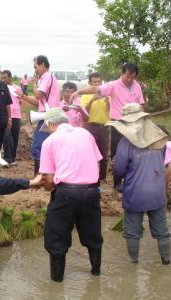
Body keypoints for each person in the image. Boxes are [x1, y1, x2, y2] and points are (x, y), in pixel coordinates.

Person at [39, 108, 103, 282]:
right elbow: (97, 164)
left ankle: (57, 282)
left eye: (48, 127)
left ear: (52, 124)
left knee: (56, 237)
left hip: (66, 192)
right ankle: (96, 273)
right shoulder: (86, 134)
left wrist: (45, 185)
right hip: (91, 191)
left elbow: (50, 180)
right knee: (93, 234)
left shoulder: (50, 141)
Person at [110, 103, 170, 265]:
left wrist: (118, 180)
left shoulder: (125, 142)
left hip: (135, 193)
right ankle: (166, 262)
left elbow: (119, 170)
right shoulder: (158, 137)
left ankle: (133, 264)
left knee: (132, 232)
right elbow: (162, 161)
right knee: (162, 232)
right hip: (157, 191)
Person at [71, 63, 145, 191]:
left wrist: (142, 117)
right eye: (127, 76)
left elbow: (140, 104)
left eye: (132, 77)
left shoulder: (136, 86)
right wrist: (79, 91)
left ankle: (130, 179)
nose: (129, 79)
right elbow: (96, 89)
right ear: (122, 74)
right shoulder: (113, 85)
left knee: (133, 152)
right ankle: (117, 182)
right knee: (117, 153)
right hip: (118, 124)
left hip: (133, 124)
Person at [16, 55, 61, 174]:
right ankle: (48, 173)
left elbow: (38, 95)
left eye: (35, 67)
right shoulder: (50, 77)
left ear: (42, 65)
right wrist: (23, 96)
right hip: (50, 115)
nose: (35, 70)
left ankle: (40, 176)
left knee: (37, 147)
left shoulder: (46, 77)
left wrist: (35, 84)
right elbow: (39, 102)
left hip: (47, 117)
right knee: (47, 146)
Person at [80, 72, 110, 181]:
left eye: (99, 82)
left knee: (103, 153)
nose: (97, 84)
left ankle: (102, 177)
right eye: (94, 82)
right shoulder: (85, 95)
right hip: (90, 126)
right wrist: (92, 99)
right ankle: (89, 175)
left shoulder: (107, 94)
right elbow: (84, 112)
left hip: (105, 126)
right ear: (89, 83)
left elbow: (112, 112)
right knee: (89, 151)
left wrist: (107, 102)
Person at [1, 70, 22, 165]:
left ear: (10, 77)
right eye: (2, 78)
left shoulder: (17, 88)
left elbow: (20, 101)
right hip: (5, 116)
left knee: (15, 136)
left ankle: (12, 158)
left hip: (16, 116)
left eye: (5, 77)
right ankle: (7, 158)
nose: (3, 79)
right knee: (6, 136)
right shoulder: (1, 88)